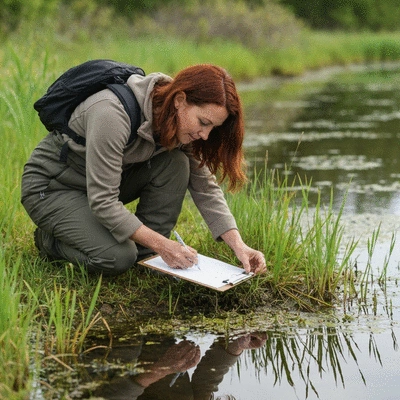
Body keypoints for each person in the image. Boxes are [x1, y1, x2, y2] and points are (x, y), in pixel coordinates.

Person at [21, 63, 266, 276]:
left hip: (95, 187)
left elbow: (205, 186)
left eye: (213, 128)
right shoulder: (111, 113)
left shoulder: (176, 120)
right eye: (203, 122)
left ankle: (145, 254)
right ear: (180, 100)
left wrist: (239, 246)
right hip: (53, 188)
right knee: (117, 257)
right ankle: (49, 241)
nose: (204, 135)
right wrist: (165, 244)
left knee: (176, 164)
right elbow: (104, 202)